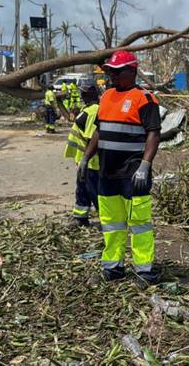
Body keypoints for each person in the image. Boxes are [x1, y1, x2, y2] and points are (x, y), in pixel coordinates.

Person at [81, 50, 162, 285]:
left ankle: (145, 270)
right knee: (111, 223)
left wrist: (145, 165)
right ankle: (113, 267)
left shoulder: (144, 98)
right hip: (107, 172)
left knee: (139, 223)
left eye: (117, 72)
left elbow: (153, 134)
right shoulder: (106, 97)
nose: (112, 77)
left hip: (132, 172)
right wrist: (86, 158)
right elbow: (99, 131)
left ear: (132, 72)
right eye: (110, 72)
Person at [64, 85, 101, 227]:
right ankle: (80, 218)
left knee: (95, 192)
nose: (81, 95)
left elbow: (92, 138)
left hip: (92, 162)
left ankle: (108, 221)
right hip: (84, 161)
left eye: (83, 92)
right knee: (82, 190)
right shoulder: (88, 110)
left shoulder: (93, 112)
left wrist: (86, 158)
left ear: (87, 95)